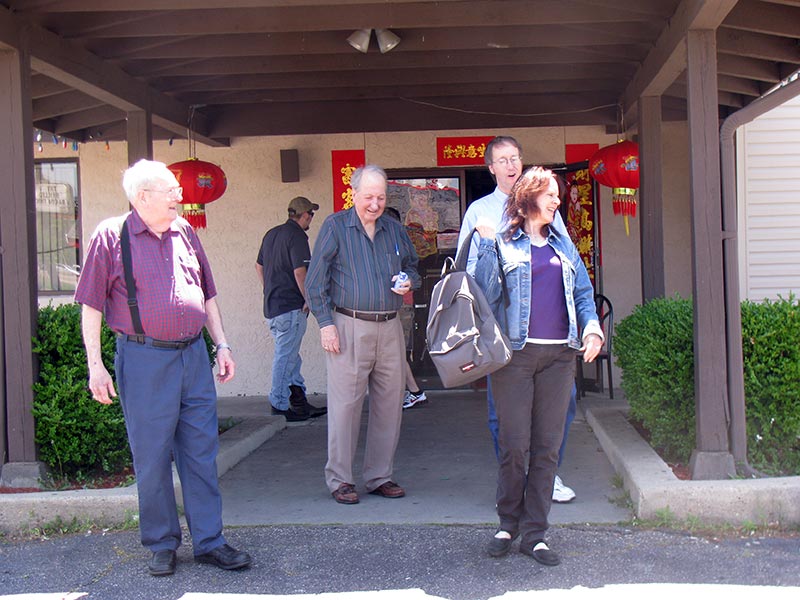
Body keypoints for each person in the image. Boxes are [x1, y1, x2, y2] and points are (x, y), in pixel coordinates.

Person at [75, 159, 251, 577]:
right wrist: (95, 365)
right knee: (152, 456)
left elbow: (207, 293)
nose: (179, 197)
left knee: (201, 452)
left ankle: (210, 541)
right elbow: (91, 305)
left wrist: (221, 344)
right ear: (142, 197)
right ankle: (161, 543)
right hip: (144, 359)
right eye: (171, 190)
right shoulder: (111, 236)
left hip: (193, 356)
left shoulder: (185, 231)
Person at [474, 166, 603, 566]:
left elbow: (583, 294)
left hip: (560, 357)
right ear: (529, 197)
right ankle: (507, 524)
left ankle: (535, 534)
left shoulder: (563, 246)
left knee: (547, 448)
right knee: (515, 445)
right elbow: (483, 295)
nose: (556, 201)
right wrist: (487, 246)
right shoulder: (502, 243)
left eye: (557, 196)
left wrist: (592, 330)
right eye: (550, 194)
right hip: (515, 357)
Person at [457, 135, 577, 503]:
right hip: (502, 330)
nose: (511, 165)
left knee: (562, 405)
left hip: (550, 332)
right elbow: (466, 272)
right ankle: (515, 480)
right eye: (502, 160)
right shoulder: (480, 211)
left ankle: (546, 475)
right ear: (491, 168)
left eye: (515, 158)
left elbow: (570, 264)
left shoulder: (544, 206)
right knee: (503, 414)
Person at [305, 165, 420, 504]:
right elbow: (315, 281)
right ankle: (340, 479)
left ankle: (379, 476)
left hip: (390, 325)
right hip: (347, 325)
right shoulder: (335, 226)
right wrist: (325, 324)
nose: (375, 204)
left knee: (389, 405)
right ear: (353, 194)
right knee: (345, 407)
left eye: (381, 197)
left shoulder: (394, 229)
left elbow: (412, 266)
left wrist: (409, 280)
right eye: (368, 197)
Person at [256, 196, 327, 421]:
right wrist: (309, 298)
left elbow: (259, 266)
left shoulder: (272, 234)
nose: (311, 219)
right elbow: (300, 272)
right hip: (290, 307)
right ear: (304, 215)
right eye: (311, 215)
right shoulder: (297, 236)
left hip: (273, 306)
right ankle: (278, 404)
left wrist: (268, 289)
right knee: (285, 357)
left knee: (291, 357)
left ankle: (299, 402)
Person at [384, 206, 427, 409]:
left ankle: (413, 391)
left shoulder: (396, 244)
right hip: (400, 305)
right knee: (396, 352)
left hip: (399, 306)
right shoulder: (400, 241)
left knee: (396, 352)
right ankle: (412, 391)